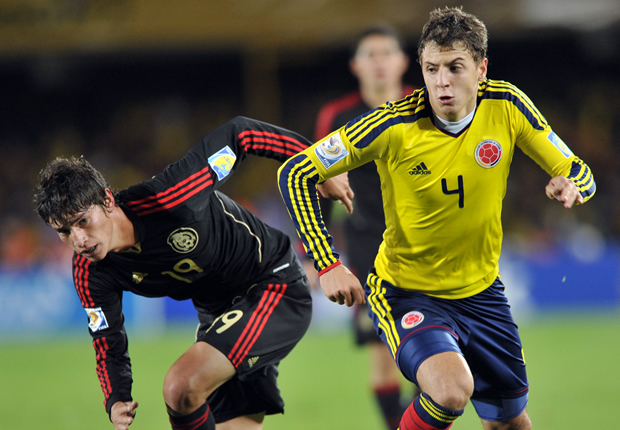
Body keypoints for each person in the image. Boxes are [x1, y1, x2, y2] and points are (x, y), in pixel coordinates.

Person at [278, 6, 596, 430]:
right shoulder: (390, 124)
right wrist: (327, 262)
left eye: (454, 67)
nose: (441, 82)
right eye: (431, 68)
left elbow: (579, 170)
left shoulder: (507, 106)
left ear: (481, 69)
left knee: (511, 424)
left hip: (483, 295)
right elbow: (295, 172)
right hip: (407, 292)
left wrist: (572, 185)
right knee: (448, 390)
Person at [33, 116, 353, 430]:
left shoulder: (171, 197)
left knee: (180, 385)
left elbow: (241, 134)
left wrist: (320, 165)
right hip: (217, 313)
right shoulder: (90, 270)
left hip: (272, 284)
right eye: (63, 231)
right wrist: (116, 398)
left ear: (107, 200)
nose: (79, 240)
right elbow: (107, 337)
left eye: (83, 221)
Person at [313, 24, 416, 430]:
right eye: (370, 54)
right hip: (366, 248)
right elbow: (316, 183)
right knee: (383, 356)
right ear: (356, 64)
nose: (379, 62)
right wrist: (315, 255)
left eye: (386, 53)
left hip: (424, 242)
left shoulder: (424, 105)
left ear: (403, 62)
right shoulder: (336, 116)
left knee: (430, 352)